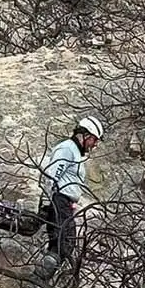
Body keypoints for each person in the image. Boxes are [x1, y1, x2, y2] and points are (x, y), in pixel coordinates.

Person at [36, 117, 102, 276]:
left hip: (64, 202)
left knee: (62, 243)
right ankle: (38, 280)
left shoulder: (75, 152)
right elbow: (51, 175)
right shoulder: (67, 149)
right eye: (94, 139)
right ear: (85, 135)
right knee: (63, 242)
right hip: (59, 200)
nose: (95, 144)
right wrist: (48, 203)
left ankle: (43, 281)